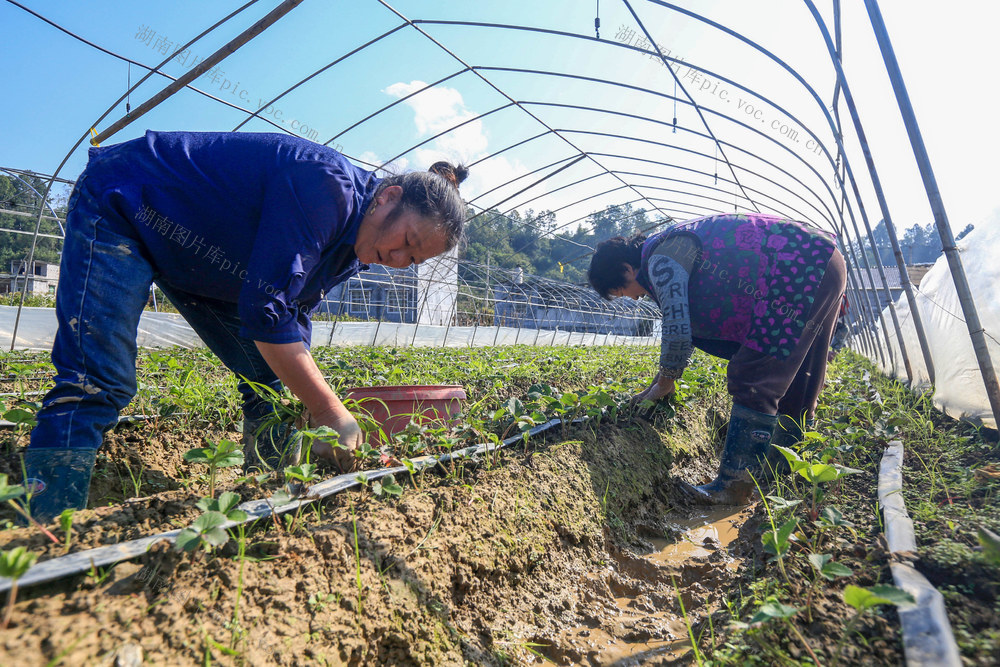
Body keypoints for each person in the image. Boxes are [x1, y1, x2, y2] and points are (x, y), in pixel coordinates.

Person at [23, 130, 468, 521]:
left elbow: (292, 311)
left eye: (412, 259)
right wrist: (329, 411)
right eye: (406, 241)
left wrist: (313, 406)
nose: (397, 259)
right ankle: (48, 529)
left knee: (269, 382)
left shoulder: (355, 245)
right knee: (98, 379)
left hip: (198, 258)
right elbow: (266, 309)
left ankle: (267, 498)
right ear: (388, 197)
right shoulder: (326, 188)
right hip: (125, 205)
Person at [588, 213, 847, 504]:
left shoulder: (659, 260)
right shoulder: (668, 245)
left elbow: (677, 326)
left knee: (753, 376)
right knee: (800, 376)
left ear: (626, 268)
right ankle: (780, 477)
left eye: (620, 290)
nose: (631, 298)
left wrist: (664, 384)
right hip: (823, 260)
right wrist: (658, 382)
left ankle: (733, 488)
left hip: (796, 266)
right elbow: (685, 325)